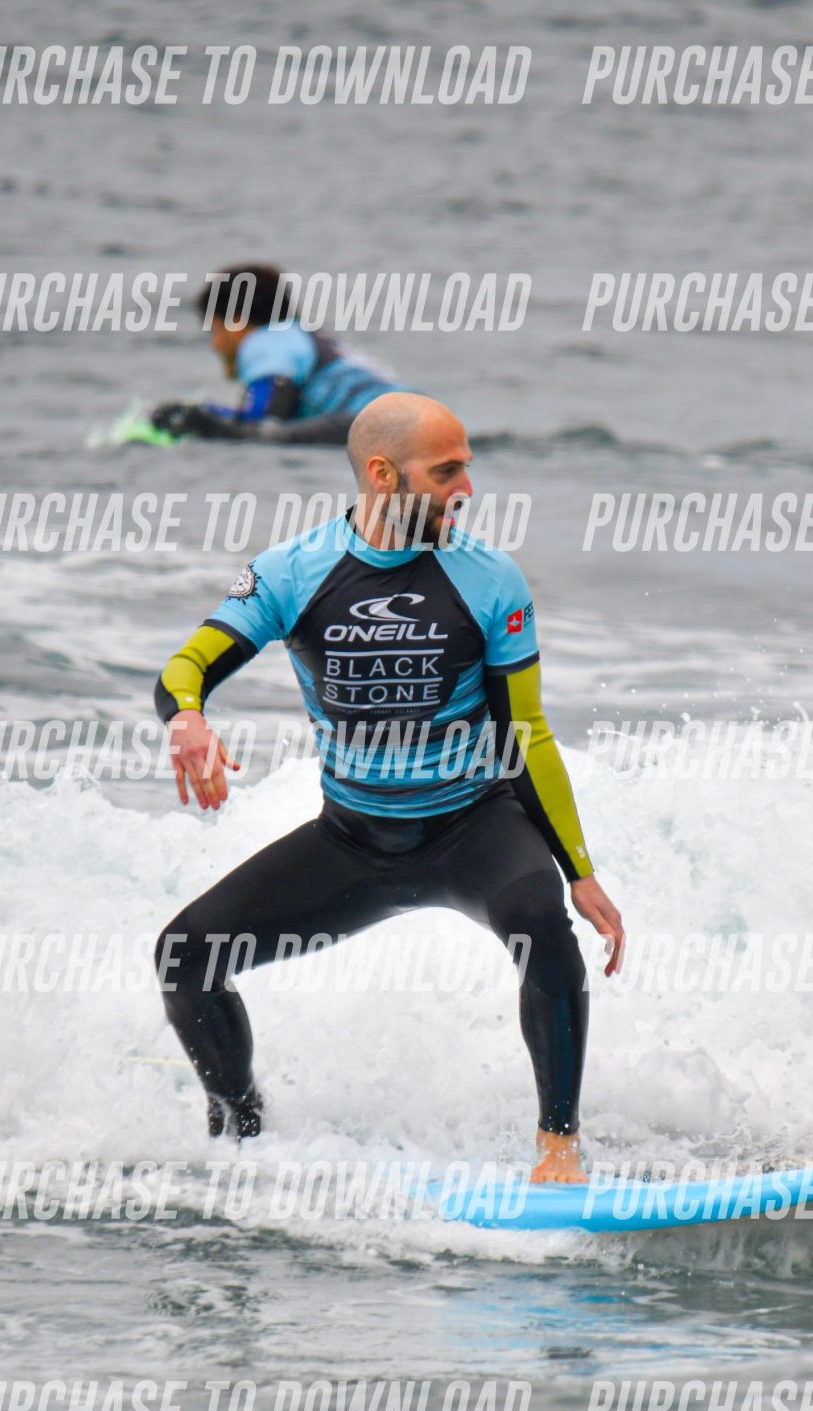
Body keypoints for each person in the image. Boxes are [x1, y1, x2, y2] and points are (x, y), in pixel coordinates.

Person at [151, 393, 624, 1183]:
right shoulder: (292, 572)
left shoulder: (489, 578)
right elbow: (185, 665)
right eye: (446, 472)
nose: (466, 489)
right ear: (382, 474)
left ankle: (559, 1148)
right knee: (185, 956)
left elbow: (527, 734)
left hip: (474, 831)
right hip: (353, 842)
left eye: (466, 468)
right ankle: (241, 1137)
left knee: (543, 925)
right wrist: (188, 718)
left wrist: (578, 869)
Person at [149, 263, 400, 445]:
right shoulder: (313, 340)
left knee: (269, 437)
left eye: (214, 330)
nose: (214, 345)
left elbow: (261, 421)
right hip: (412, 417)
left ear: (235, 322)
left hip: (377, 424)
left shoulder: (268, 339)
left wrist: (197, 417)